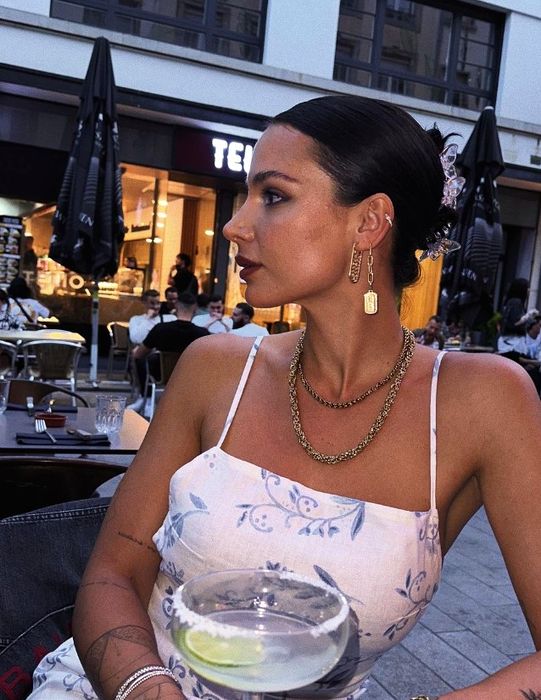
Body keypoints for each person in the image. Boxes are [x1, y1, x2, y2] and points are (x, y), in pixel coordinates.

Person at [30, 96, 541, 698]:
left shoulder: (483, 402)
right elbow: (113, 572)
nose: (234, 226)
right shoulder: (216, 369)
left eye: (273, 195)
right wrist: (146, 688)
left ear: (369, 222)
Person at [133, 292, 210, 382]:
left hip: (161, 375)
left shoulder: (160, 329)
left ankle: (144, 389)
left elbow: (139, 354)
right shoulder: (203, 334)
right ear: (195, 309)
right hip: (190, 378)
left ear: (176, 306)